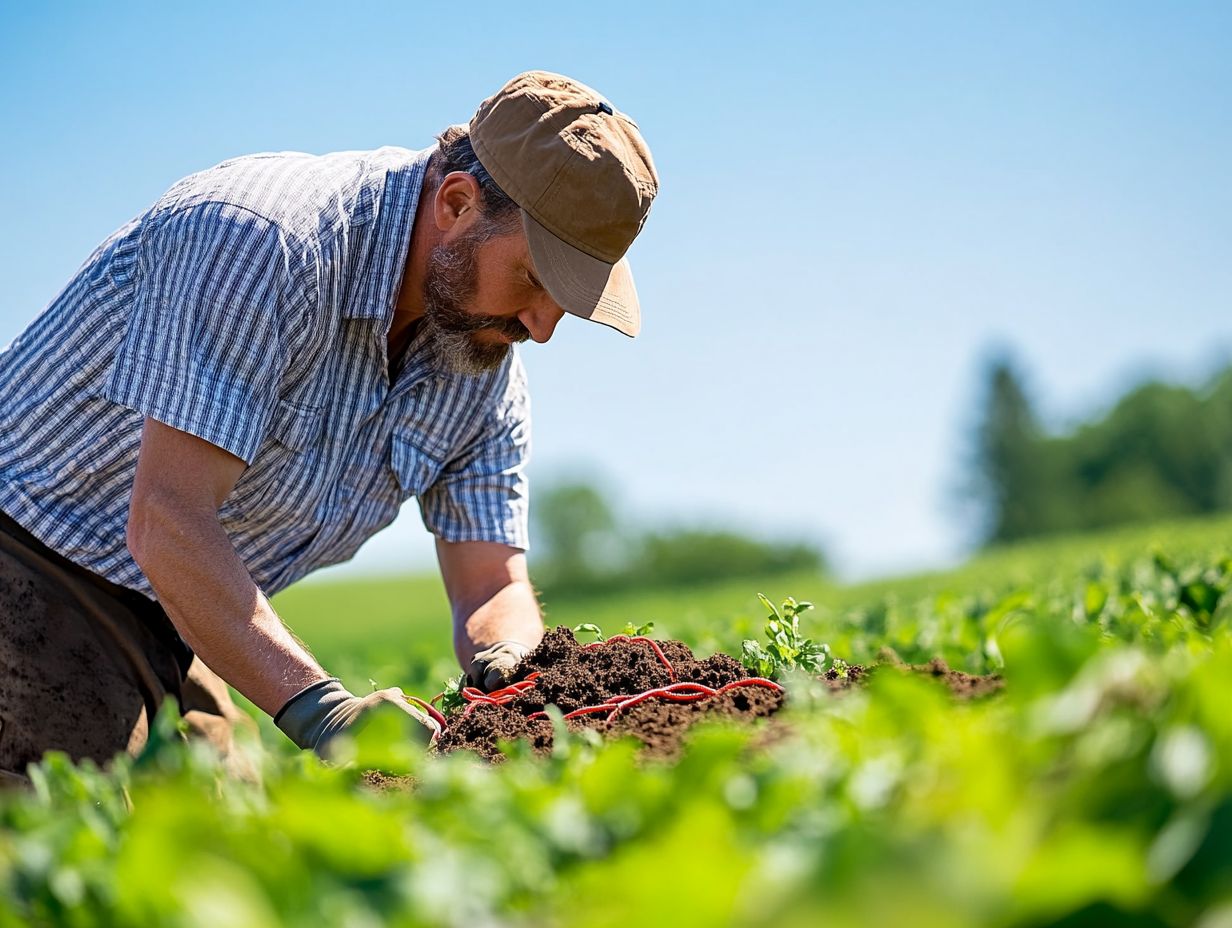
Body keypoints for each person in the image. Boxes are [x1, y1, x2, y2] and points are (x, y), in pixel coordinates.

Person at [0, 70, 659, 778]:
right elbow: (166, 519)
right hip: (29, 560)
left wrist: (512, 666)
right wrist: (329, 714)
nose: (542, 326)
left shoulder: (481, 364)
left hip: (174, 613)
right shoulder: (261, 242)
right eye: (535, 280)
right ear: (458, 203)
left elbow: (491, 583)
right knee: (68, 846)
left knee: (241, 863)